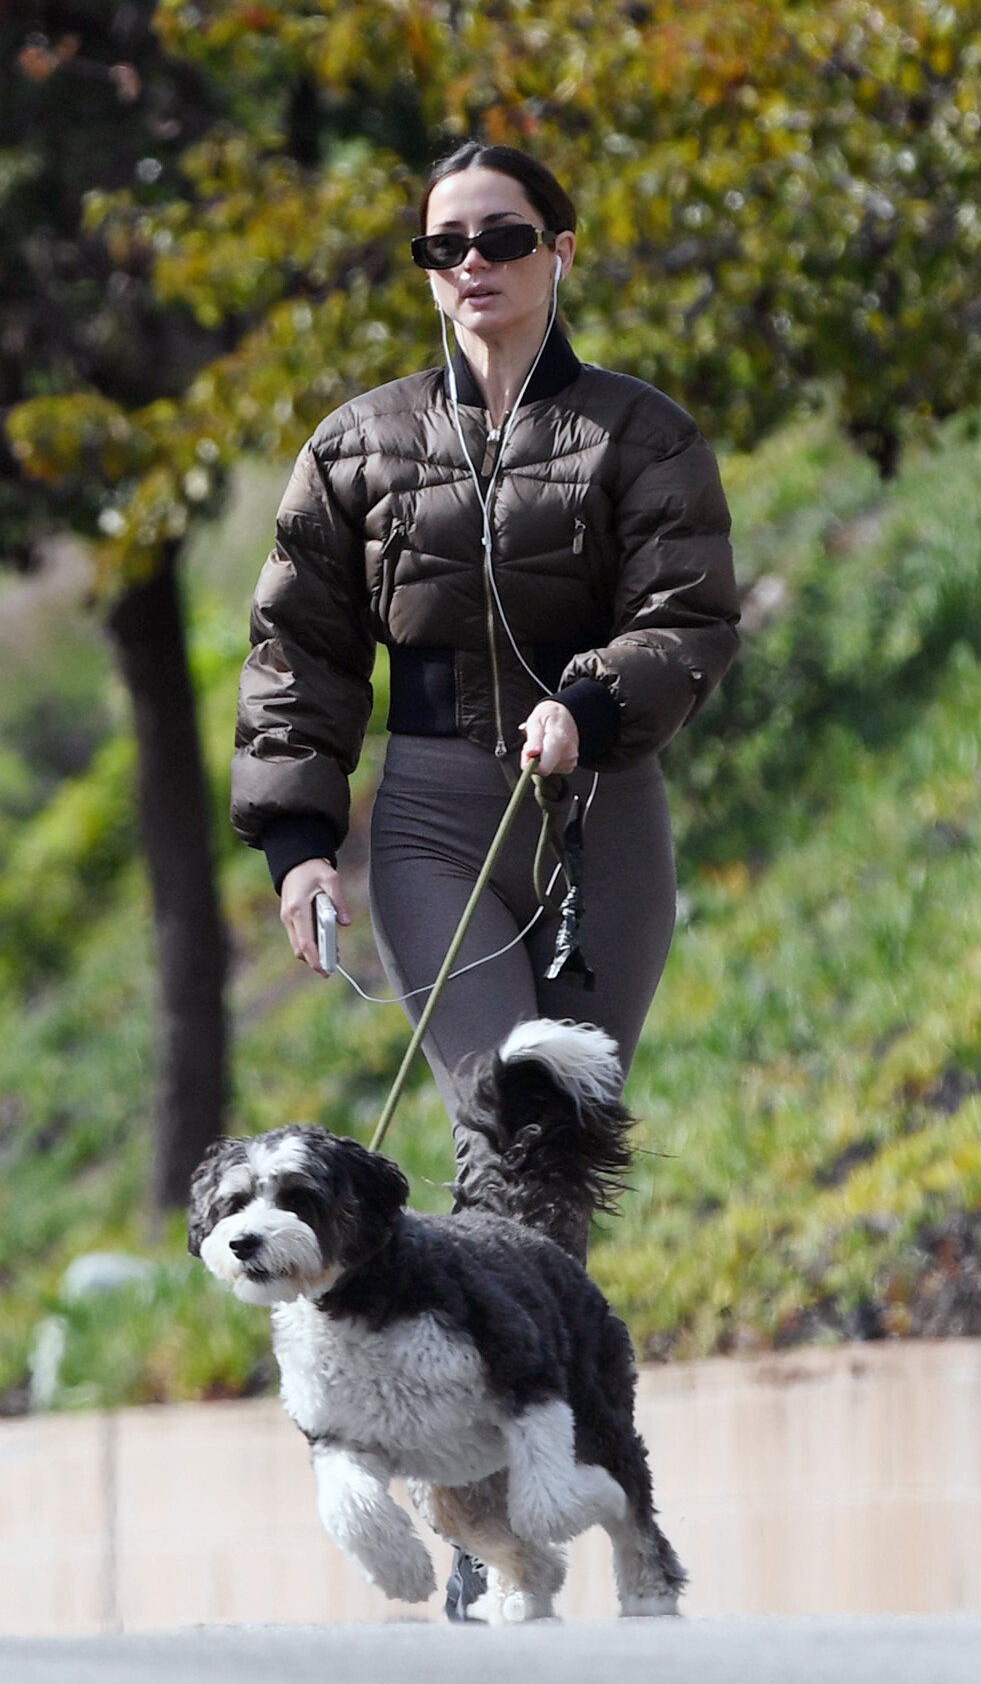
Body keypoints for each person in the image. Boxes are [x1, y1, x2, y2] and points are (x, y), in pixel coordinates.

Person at [231, 140, 738, 1237]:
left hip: (600, 819)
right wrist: (299, 842)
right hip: (431, 826)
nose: (474, 262)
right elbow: (298, 649)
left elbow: (688, 616)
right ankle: (485, 1342)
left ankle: (541, 1349)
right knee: (497, 1127)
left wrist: (589, 702)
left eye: (503, 238)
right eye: (445, 245)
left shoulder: (642, 433)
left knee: (561, 1143)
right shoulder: (355, 446)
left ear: (560, 252)